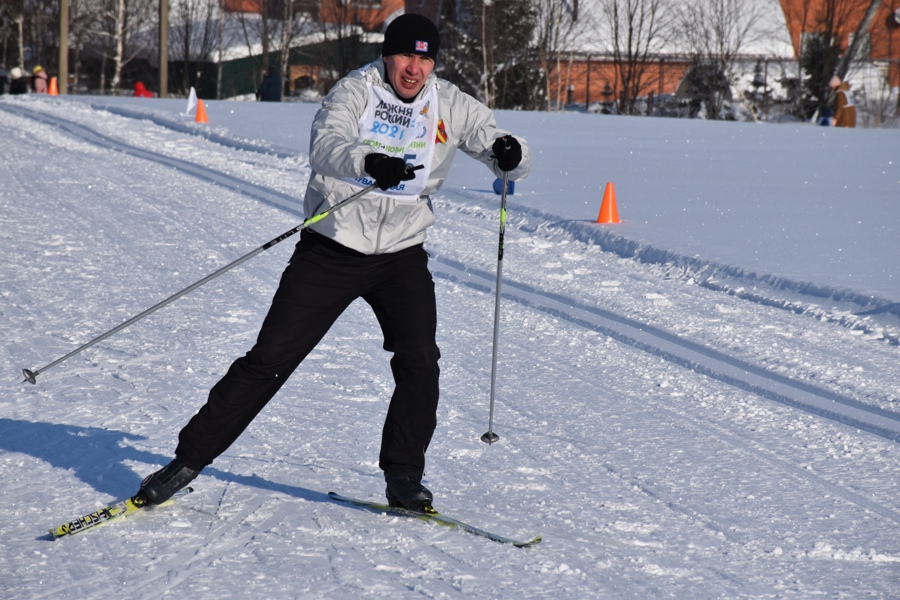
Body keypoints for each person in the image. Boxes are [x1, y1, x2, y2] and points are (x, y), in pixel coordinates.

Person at [137, 13, 530, 512]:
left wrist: (512, 153)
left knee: (420, 362)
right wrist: (369, 162)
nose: (415, 68)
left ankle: (404, 477)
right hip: (332, 248)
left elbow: (503, 150)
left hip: (401, 256)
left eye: (426, 58)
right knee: (270, 359)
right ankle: (186, 462)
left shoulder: (447, 102)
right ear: (388, 55)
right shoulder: (357, 91)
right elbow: (325, 146)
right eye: (407, 55)